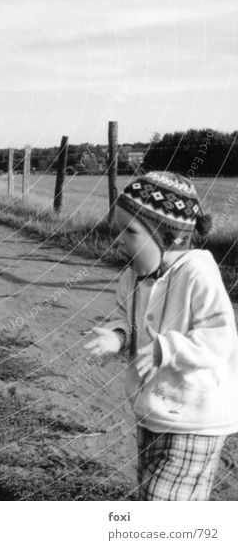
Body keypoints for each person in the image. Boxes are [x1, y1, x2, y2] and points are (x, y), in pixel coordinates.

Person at [84, 170, 238, 501]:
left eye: (131, 231)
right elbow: (128, 320)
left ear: (167, 237)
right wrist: (118, 336)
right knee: (153, 496)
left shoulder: (198, 274)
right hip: (153, 411)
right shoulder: (133, 277)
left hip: (195, 417)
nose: (120, 239)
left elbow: (220, 337)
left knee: (161, 505)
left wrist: (163, 349)